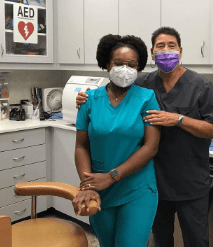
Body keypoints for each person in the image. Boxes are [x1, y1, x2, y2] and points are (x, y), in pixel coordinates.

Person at [76, 27, 213, 247]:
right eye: (160, 46)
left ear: (180, 51)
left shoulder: (200, 85)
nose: (166, 51)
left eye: (171, 46)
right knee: (161, 239)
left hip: (189, 180)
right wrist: (84, 97)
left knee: (196, 240)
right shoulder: (142, 84)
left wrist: (179, 119)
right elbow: (115, 90)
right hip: (155, 179)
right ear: (153, 54)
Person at [72, 34, 161, 247]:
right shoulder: (89, 100)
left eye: (132, 65)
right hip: (99, 187)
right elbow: (81, 146)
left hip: (137, 187)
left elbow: (150, 147)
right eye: (118, 63)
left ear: (138, 67)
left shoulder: (147, 98)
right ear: (106, 64)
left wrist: (112, 176)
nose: (125, 69)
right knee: (107, 243)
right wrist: (87, 185)